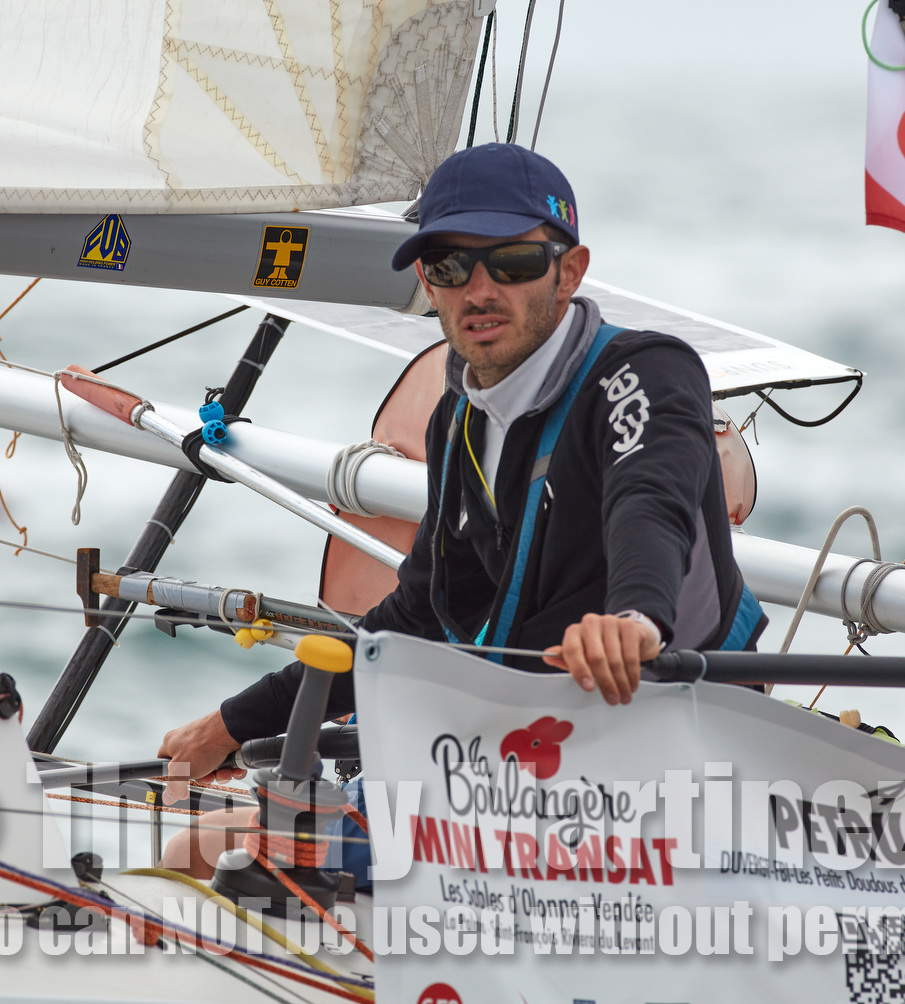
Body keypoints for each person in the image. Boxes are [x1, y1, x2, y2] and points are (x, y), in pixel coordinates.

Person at [157, 143, 764, 875]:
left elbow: (651, 500)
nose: (480, 290)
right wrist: (232, 723)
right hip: (515, 762)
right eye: (451, 266)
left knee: (202, 851)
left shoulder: (642, 373)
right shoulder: (460, 419)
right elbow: (416, 618)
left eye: (511, 263)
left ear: (568, 271)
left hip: (646, 772)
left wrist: (636, 621)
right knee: (206, 841)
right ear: (427, 282)